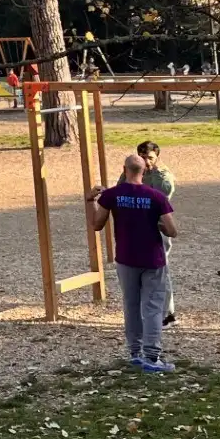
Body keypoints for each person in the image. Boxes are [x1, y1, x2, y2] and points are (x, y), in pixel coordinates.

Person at [88, 153, 178, 372]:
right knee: (153, 307)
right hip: (152, 258)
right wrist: (158, 225)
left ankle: (135, 352)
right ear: (144, 171)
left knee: (131, 305)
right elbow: (172, 230)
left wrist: (90, 200)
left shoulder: (112, 195)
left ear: (124, 169)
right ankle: (152, 356)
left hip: (126, 257)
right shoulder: (156, 196)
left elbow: (97, 224)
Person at [137, 140, 177, 325]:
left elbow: (162, 195)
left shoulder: (162, 176)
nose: (146, 161)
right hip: (139, 227)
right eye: (143, 157)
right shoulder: (135, 171)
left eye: (150, 157)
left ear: (157, 157)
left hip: (158, 227)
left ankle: (166, 314)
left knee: (161, 269)